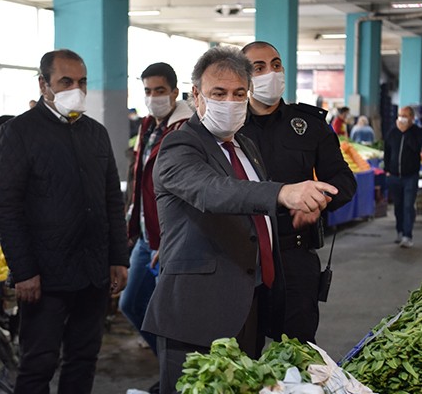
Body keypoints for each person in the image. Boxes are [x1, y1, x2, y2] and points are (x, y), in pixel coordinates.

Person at [142, 46, 338, 394]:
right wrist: (282, 193)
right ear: (196, 95)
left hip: (249, 303)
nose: (230, 102)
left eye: (238, 94)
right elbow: (214, 191)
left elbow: (250, 215)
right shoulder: (180, 147)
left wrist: (298, 208)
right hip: (197, 313)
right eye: (219, 93)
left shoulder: (245, 144)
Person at [0, 49, 130, 394]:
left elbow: (112, 199)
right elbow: (5, 208)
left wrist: (117, 258)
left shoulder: (95, 133)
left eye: (82, 82)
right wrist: (23, 271)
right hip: (44, 276)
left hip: (92, 271)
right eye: (66, 81)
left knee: (84, 359)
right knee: (39, 363)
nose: (76, 88)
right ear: (44, 85)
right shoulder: (16, 133)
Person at [239, 41, 356, 344]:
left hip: (294, 257)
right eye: (259, 67)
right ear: (244, 76)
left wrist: (320, 202)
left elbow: (343, 180)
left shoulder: (309, 125)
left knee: (297, 353)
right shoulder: (230, 127)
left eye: (276, 64)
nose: (271, 73)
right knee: (239, 357)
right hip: (241, 259)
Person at [120, 62, 192, 363]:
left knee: (172, 317)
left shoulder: (188, 128)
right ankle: (169, 368)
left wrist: (172, 239)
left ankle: (179, 375)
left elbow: (189, 192)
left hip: (169, 241)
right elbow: (139, 181)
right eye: (148, 91)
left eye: (160, 90)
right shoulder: (148, 125)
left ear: (175, 92)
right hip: (145, 236)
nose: (153, 97)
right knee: (132, 303)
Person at [384, 106, 422, 248]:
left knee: (408, 206)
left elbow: (416, 148)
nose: (402, 118)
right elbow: (387, 151)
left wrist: (405, 132)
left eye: (405, 115)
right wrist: (387, 170)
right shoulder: (392, 132)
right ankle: (400, 231)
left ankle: (408, 235)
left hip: (410, 177)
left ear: (412, 118)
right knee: (398, 206)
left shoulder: (418, 132)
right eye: (400, 115)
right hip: (394, 176)